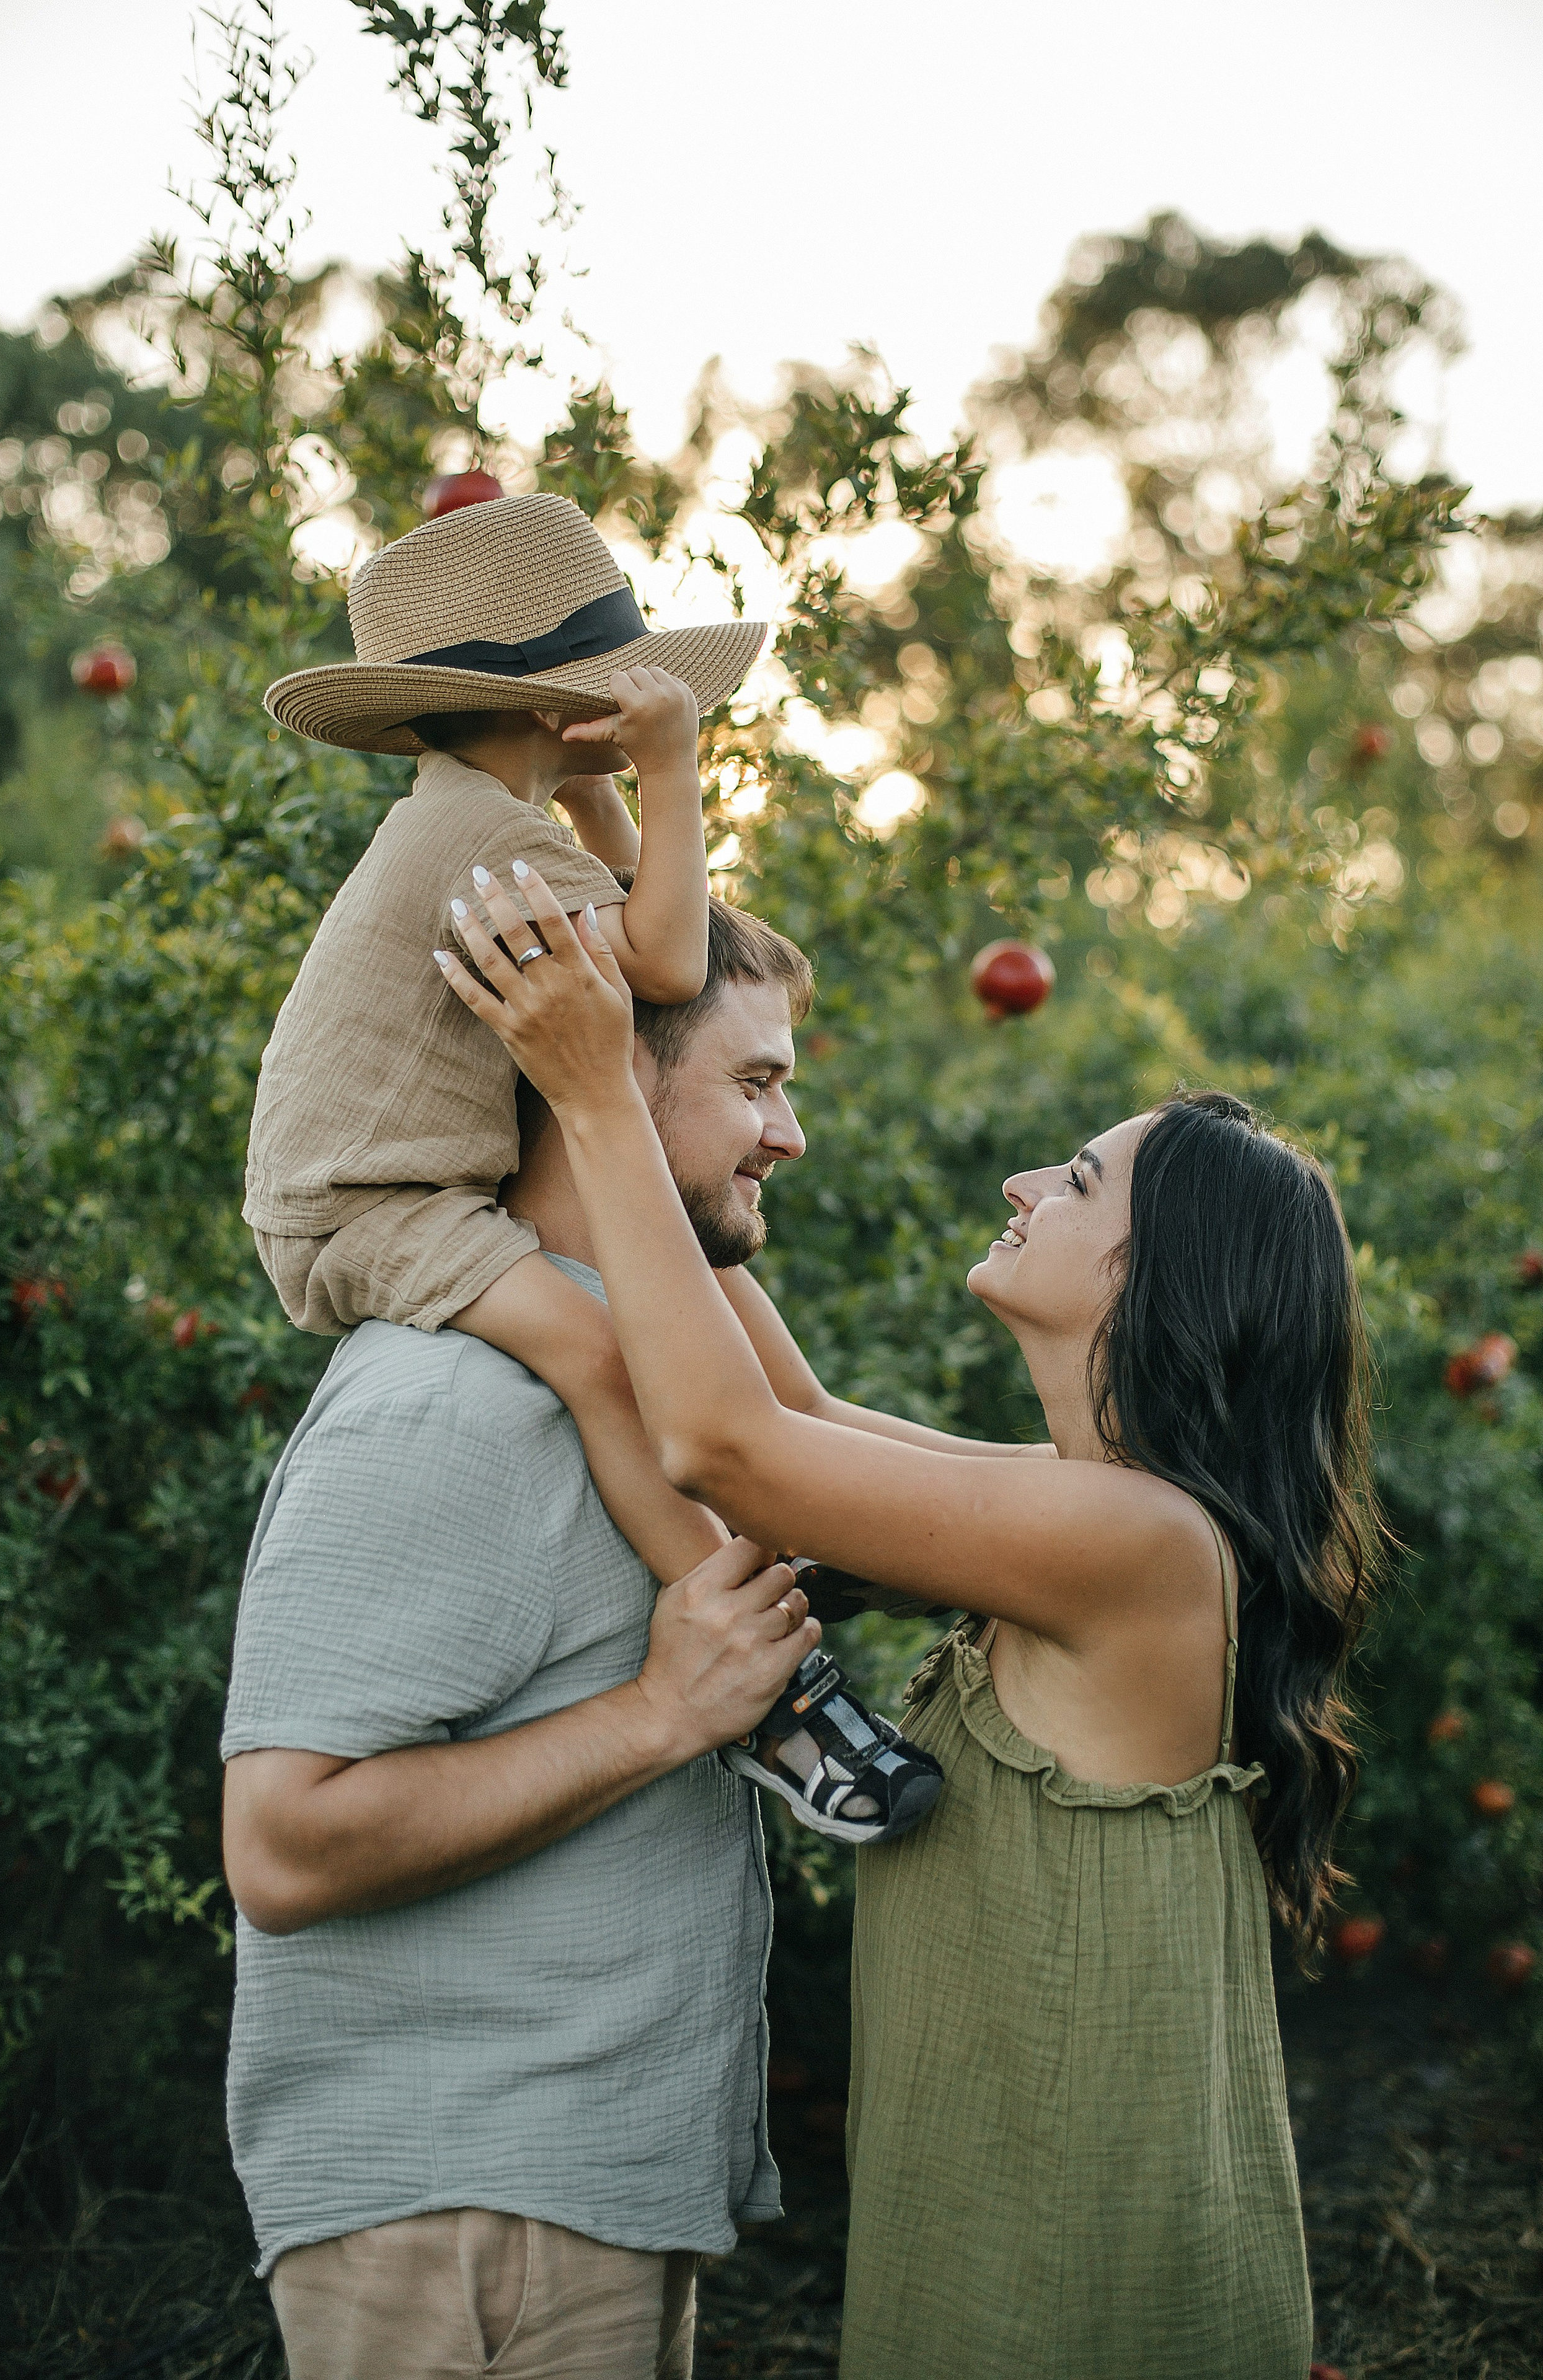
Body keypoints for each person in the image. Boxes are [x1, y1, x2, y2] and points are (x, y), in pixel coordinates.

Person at [435, 868, 1382, 2380]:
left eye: (1074, 1183)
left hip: (1080, 2277)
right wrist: (638, 986)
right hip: (1008, 2220)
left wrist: (597, 1096)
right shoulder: (1082, 1505)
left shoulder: (1136, 1543)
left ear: (1156, 1278)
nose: (1021, 1184)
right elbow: (793, 1419)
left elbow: (728, 1450)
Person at [223, 894, 983, 2380]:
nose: (790, 1135)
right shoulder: (444, 1405)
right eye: (756, 1085)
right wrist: (661, 1714)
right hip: (464, 2217)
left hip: (582, 2192)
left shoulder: (655, 1377)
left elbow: (834, 1453)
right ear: (609, 1085)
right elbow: (283, 1848)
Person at [247, 492, 938, 1844]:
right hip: (372, 1209)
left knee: (686, 1309)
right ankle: (775, 1697)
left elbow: (671, 944)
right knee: (603, 1356)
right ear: (563, 705)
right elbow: (675, 968)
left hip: (400, 1188)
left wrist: (601, 783)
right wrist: (670, 774)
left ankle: (819, 1525)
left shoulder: (495, 815)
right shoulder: (469, 833)